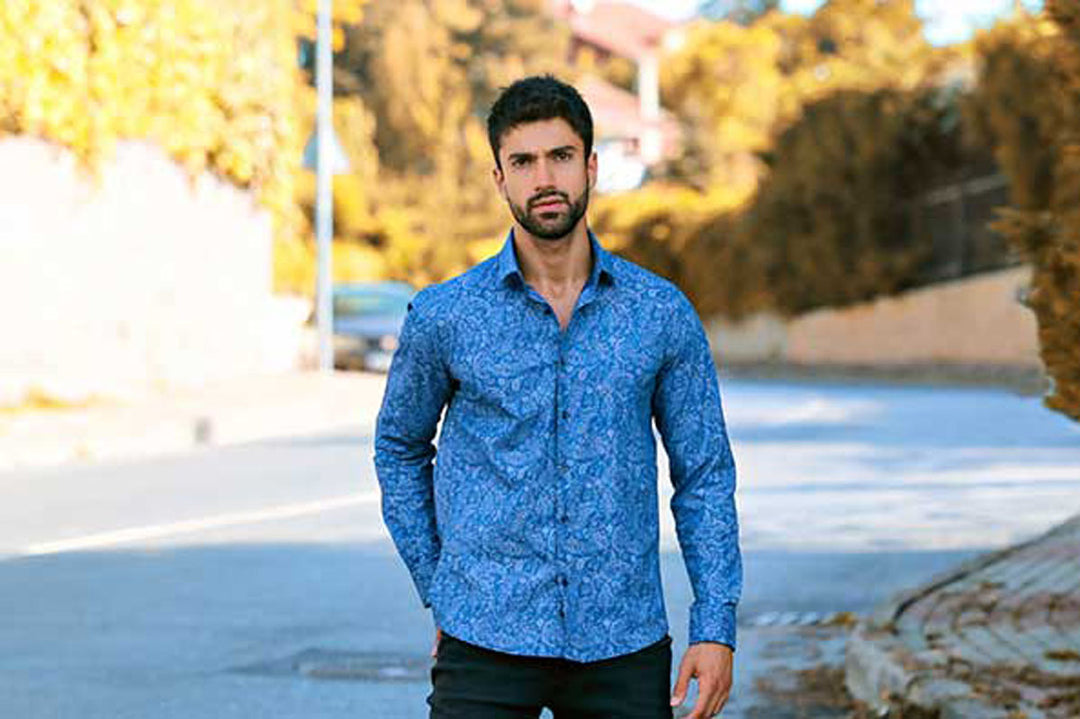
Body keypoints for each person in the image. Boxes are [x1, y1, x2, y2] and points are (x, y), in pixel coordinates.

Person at [373, 75, 742, 719]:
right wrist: (440, 585)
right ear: (500, 179)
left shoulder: (659, 313)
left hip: (621, 639)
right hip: (484, 634)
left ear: (590, 166)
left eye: (561, 156)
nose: (544, 179)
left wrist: (714, 624)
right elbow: (399, 447)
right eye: (523, 162)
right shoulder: (446, 316)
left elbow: (704, 474)